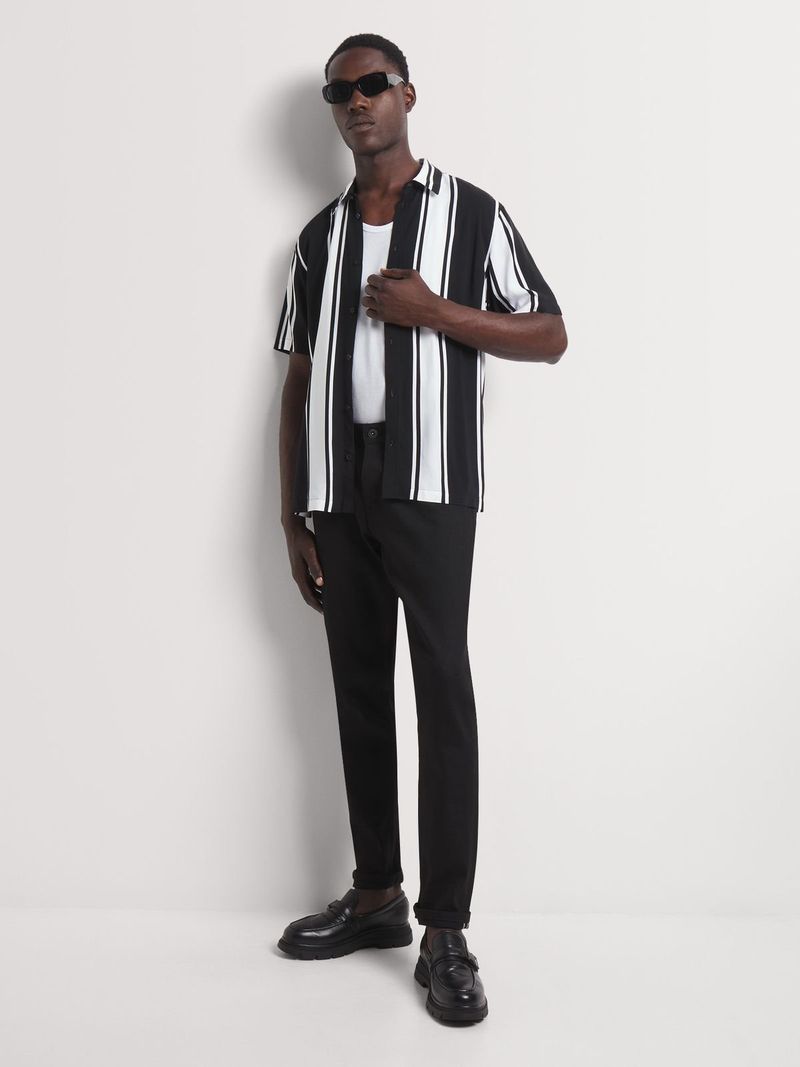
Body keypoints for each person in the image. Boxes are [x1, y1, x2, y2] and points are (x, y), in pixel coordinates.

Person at [274, 32, 567, 1025]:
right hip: (337, 488)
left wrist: (434, 310)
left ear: (407, 94)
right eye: (339, 91)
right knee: (358, 688)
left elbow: (549, 332)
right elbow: (299, 377)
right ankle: (376, 896)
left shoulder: (471, 214)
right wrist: (291, 510)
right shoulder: (317, 237)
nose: (356, 101)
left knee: (441, 689)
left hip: (430, 483)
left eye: (372, 84)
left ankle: (445, 927)